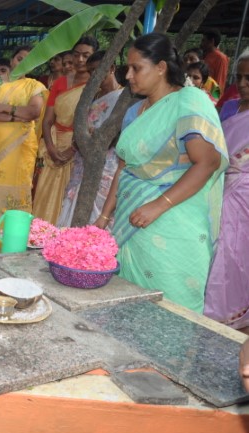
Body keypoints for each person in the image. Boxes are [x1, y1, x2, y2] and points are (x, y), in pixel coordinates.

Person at [96, 33, 227, 313]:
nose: (128, 75)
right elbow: (124, 168)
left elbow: (207, 162)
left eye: (136, 68)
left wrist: (158, 205)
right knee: (127, 305)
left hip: (172, 222)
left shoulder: (189, 102)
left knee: (169, 311)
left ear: (161, 67)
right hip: (132, 220)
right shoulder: (135, 111)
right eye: (127, 68)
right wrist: (104, 217)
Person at [0, 45, 47, 253]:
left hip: (21, 147)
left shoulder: (35, 86)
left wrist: (5, 108)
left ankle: (13, 239)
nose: (22, 63)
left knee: (17, 186)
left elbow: (33, 112)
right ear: (12, 60)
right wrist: (16, 117)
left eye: (28, 60)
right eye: (19, 58)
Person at [204, 49, 249, 329]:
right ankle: (212, 307)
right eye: (239, 77)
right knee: (215, 245)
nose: (242, 84)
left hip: (243, 195)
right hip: (219, 185)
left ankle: (231, 310)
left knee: (235, 251)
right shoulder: (231, 107)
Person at [33, 36, 98, 225]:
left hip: (79, 150)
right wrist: (52, 149)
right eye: (76, 55)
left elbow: (94, 124)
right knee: (44, 196)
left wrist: (72, 150)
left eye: (86, 55)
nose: (80, 60)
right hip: (54, 147)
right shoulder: (60, 83)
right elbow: (47, 121)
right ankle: (41, 235)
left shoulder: (97, 85)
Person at [56, 50, 124, 227]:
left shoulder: (123, 98)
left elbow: (119, 133)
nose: (94, 75)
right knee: (74, 201)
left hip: (106, 160)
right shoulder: (92, 95)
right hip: (82, 157)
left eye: (97, 70)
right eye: (91, 71)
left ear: (111, 68)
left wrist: (96, 136)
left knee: (99, 205)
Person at [200, 28, 229, 94]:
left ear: (212, 41)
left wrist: (215, 97)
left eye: (203, 40)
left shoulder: (221, 58)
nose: (201, 43)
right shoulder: (204, 55)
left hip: (211, 95)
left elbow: (220, 81)